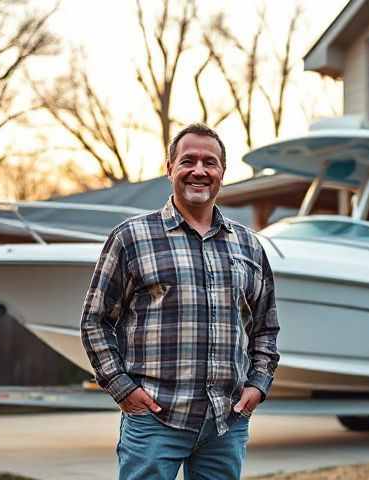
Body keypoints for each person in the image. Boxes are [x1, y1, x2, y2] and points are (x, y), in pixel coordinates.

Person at [80, 123, 280, 480]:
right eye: (188, 161)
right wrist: (123, 389)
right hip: (155, 420)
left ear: (222, 173)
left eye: (210, 162)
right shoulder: (131, 237)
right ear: (169, 168)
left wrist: (257, 385)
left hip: (226, 424)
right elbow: (96, 321)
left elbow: (266, 326)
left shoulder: (249, 245)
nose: (199, 171)